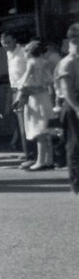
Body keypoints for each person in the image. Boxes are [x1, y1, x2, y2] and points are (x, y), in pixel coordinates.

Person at [15, 39, 56, 171]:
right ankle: (49, 160)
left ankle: (40, 161)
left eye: (25, 52)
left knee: (39, 131)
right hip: (45, 98)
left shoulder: (31, 63)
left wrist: (21, 92)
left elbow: (24, 82)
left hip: (35, 99)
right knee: (46, 130)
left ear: (30, 52)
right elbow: (49, 80)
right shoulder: (45, 62)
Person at [1, 31, 33, 167]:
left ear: (15, 40)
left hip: (24, 90)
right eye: (3, 43)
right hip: (14, 90)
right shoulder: (9, 54)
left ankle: (31, 155)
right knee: (20, 124)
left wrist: (23, 90)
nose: (6, 45)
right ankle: (27, 153)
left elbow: (29, 71)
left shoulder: (23, 52)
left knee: (27, 123)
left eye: (8, 42)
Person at [54, 23, 79, 194]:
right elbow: (66, 90)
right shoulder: (68, 63)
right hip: (73, 104)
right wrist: (77, 108)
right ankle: (76, 184)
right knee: (75, 145)